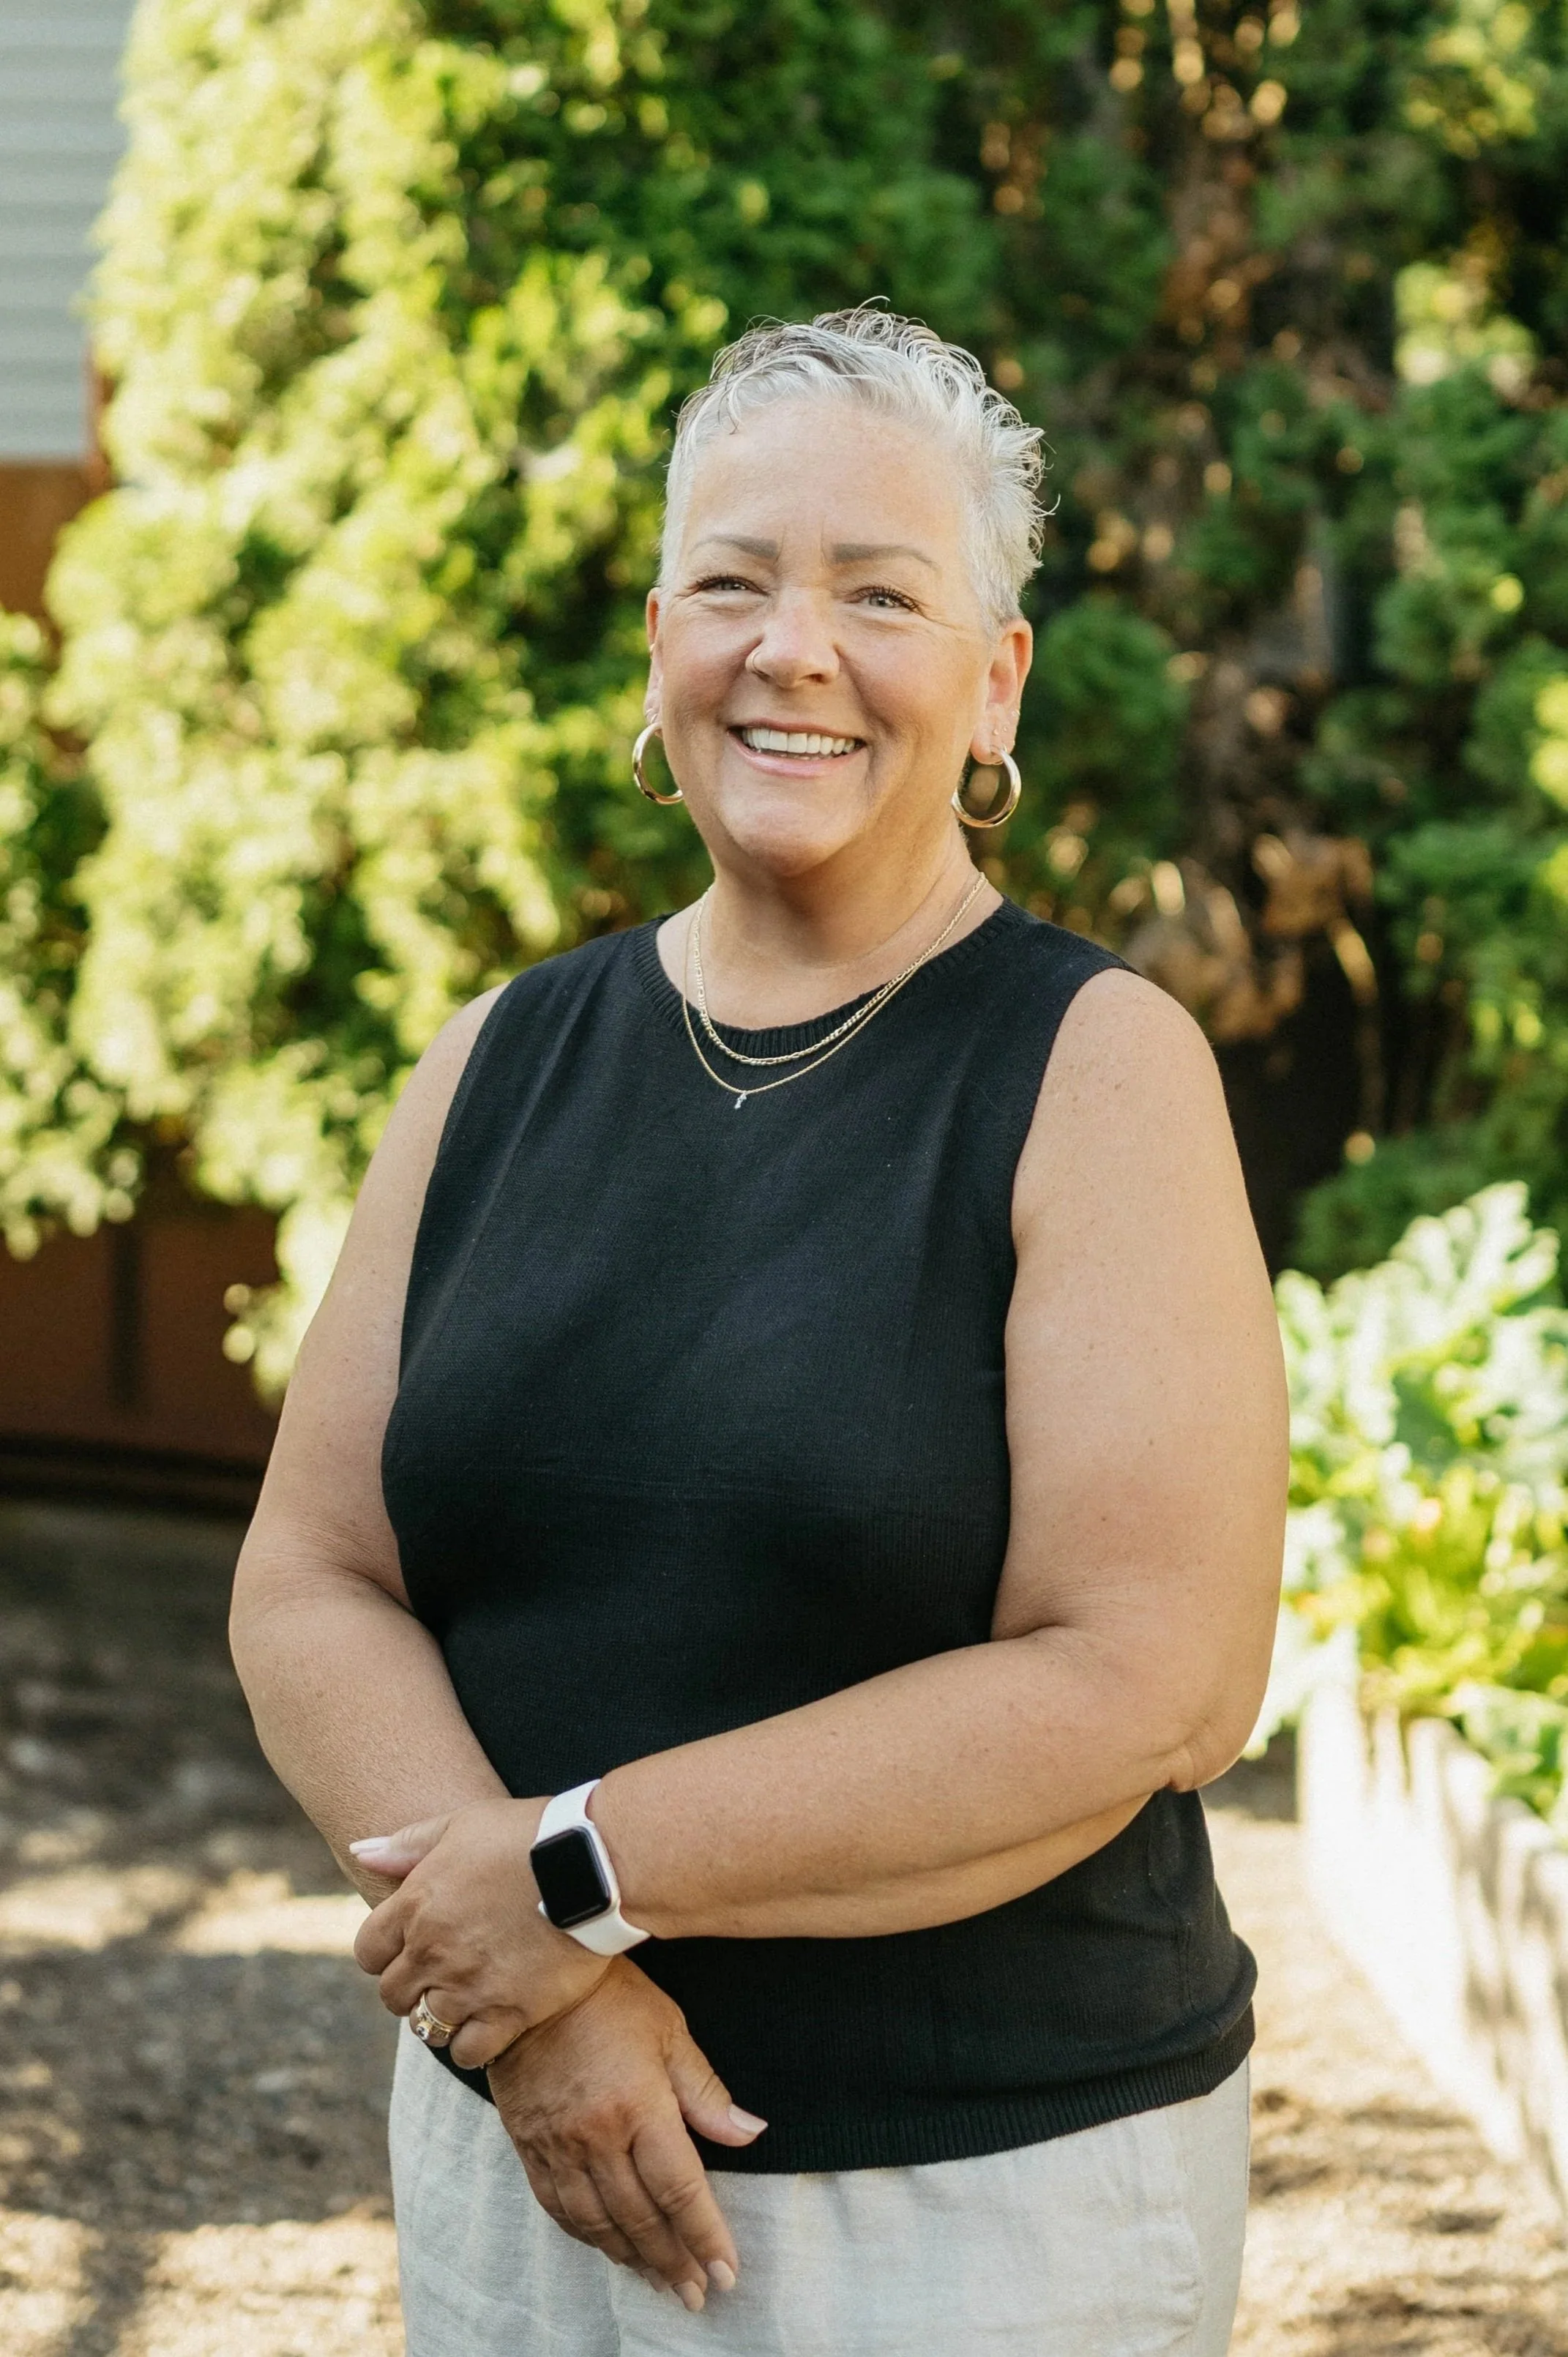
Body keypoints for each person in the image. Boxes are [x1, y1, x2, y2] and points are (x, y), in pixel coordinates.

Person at [229, 305, 1288, 2357]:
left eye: (877, 595)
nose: (789, 648)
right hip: (521, 2147)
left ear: (993, 685)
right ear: (655, 647)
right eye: (731, 582)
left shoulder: (1095, 1064)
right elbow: (309, 1573)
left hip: (976, 2206)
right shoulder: (499, 1056)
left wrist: (563, 1876)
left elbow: (1151, 1677)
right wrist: (533, 2005)